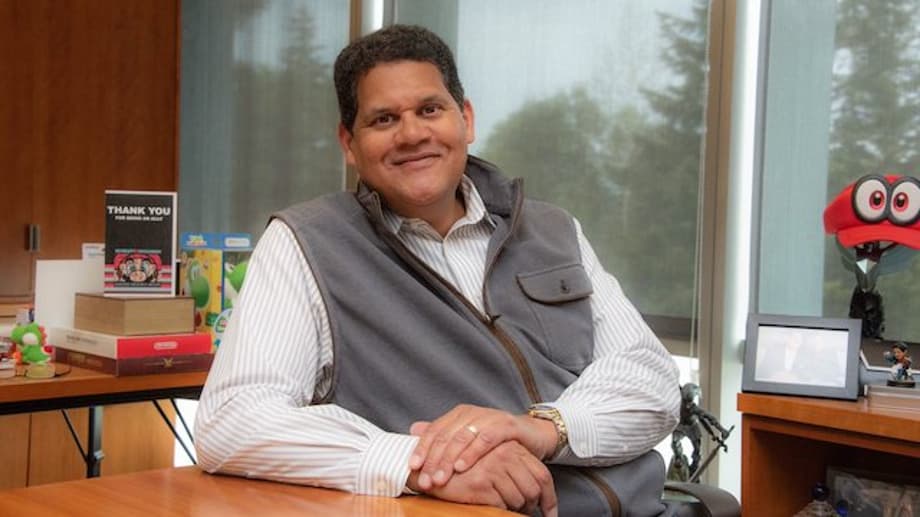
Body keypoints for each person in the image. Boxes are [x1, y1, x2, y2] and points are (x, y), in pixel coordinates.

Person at [195, 24, 680, 516]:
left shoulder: (553, 229)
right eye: (384, 119)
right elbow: (233, 420)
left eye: (430, 109)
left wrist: (541, 428)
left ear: (465, 119)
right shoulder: (307, 242)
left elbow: (651, 380)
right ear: (349, 143)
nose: (412, 134)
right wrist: (420, 464)